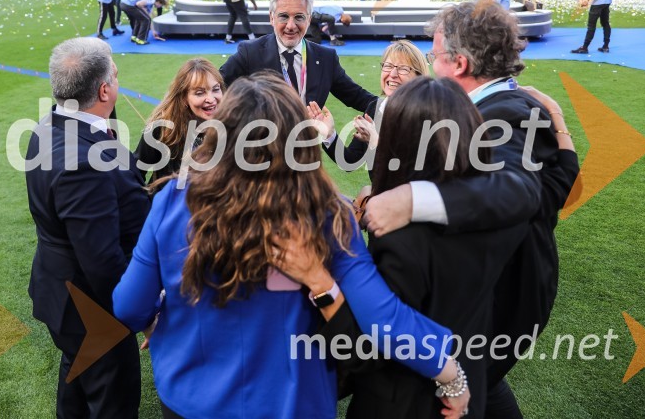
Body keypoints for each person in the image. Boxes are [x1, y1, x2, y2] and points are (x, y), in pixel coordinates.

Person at [112, 71, 469, 419]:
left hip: (191, 397)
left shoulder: (172, 203)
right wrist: (450, 373)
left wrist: (159, 319)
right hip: (291, 401)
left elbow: (129, 305)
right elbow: (382, 316)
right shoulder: (326, 213)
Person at [362, 1, 580, 419]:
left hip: (494, 297)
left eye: (434, 56)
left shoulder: (503, 115)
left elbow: (518, 192)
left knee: (457, 381)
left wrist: (409, 199)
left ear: (459, 62)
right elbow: (552, 188)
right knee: (480, 387)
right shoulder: (509, 108)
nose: (430, 65)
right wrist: (558, 118)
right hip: (492, 294)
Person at [277, 76, 529, 419]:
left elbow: (369, 346)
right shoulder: (496, 212)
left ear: (400, 142)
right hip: (472, 366)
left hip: (404, 398)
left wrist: (324, 279)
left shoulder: (401, 236)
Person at [26, 38, 150, 419]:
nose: (117, 76)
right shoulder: (86, 162)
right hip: (91, 309)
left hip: (62, 293)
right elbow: (103, 260)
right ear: (104, 89)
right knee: (113, 400)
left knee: (77, 378)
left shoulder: (48, 125)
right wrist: (143, 312)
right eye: (113, 72)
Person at [220, 0, 375, 114]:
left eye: (299, 17)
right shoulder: (250, 53)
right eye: (284, 16)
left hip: (307, 147)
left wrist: (394, 106)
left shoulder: (326, 58)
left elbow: (357, 97)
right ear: (271, 18)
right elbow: (216, 88)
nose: (291, 26)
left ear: (309, 19)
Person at [309, 40, 429, 176]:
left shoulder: (425, 114)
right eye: (388, 66)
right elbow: (349, 161)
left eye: (403, 68)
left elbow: (412, 175)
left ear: (418, 77)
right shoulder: (375, 108)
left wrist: (375, 142)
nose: (393, 74)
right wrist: (329, 134)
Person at [134, 58, 223, 187]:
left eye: (215, 89)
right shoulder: (162, 128)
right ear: (184, 98)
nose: (211, 99)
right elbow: (135, 173)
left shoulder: (231, 126)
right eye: (200, 93)